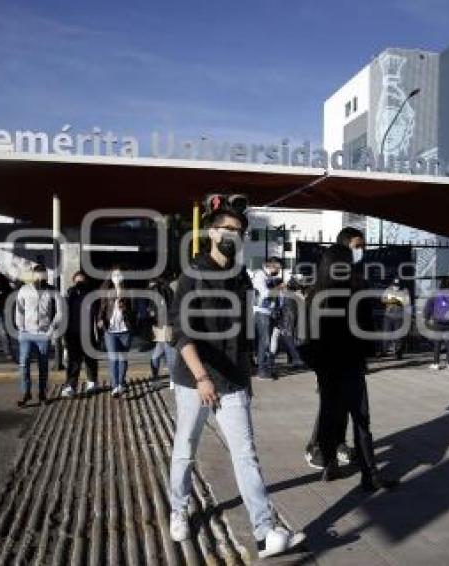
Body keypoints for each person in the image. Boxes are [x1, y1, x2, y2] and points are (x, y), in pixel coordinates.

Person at [167, 194, 304, 558]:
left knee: (246, 455)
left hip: (232, 381)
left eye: (239, 231)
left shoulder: (241, 277)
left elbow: (243, 335)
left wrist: (245, 381)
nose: (233, 235)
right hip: (195, 380)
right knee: (185, 449)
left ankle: (264, 533)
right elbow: (181, 332)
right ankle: (178, 509)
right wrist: (200, 377)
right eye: (227, 229)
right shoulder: (192, 275)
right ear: (211, 233)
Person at [307, 226, 397, 492]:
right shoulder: (354, 288)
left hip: (329, 365)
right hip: (349, 363)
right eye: (357, 249)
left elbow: (308, 334)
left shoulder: (316, 292)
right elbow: (364, 326)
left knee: (330, 415)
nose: (360, 254)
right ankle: (369, 474)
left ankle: (330, 465)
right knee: (359, 419)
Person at [15, 264, 61, 407]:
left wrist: (51, 329)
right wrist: (20, 327)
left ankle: (42, 394)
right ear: (33, 275)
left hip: (43, 333)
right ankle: (26, 393)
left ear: (46, 276)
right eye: (38, 275)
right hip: (27, 333)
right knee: (24, 364)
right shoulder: (24, 289)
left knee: (43, 366)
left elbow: (60, 312)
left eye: (43, 275)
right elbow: (19, 309)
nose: (40, 277)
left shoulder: (53, 291)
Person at [97, 267, 138, 398]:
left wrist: (125, 308)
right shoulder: (107, 292)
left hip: (125, 330)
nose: (117, 277)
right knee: (113, 359)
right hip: (110, 330)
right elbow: (102, 309)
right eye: (115, 275)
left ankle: (121, 383)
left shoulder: (129, 293)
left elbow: (134, 312)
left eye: (119, 274)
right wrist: (100, 320)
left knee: (122, 359)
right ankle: (115, 386)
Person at [61, 270, 98, 398]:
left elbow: (96, 311)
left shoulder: (91, 294)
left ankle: (92, 382)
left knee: (90, 359)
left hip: (88, 332)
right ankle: (71, 385)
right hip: (72, 333)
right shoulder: (68, 294)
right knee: (73, 361)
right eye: (77, 280)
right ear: (73, 281)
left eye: (82, 280)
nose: (80, 282)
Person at [252, 257, 282, 380]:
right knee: (264, 342)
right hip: (261, 312)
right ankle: (262, 371)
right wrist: (279, 287)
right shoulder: (260, 275)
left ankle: (264, 368)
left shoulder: (268, 277)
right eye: (278, 267)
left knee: (265, 342)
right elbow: (264, 293)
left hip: (268, 312)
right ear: (271, 265)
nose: (279, 270)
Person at [426, 276, 449, 371]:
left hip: (438, 321)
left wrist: (427, 317)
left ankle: (436, 363)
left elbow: (428, 306)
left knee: (437, 343)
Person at [269, 278, 305, 368]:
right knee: (278, 338)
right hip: (284, 320)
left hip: (285, 321)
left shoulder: (288, 296)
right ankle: (292, 358)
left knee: (286, 339)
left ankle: (296, 359)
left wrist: (286, 324)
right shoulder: (290, 295)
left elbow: (289, 312)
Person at [148, 276, 178, 383]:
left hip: (161, 326)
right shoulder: (169, 289)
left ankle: (160, 378)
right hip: (168, 325)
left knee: (163, 353)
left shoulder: (156, 291)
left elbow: (153, 311)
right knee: (168, 352)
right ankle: (171, 379)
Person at [381, 278, 410, 359]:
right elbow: (382, 299)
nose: (396, 287)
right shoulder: (388, 289)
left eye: (397, 286)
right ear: (392, 284)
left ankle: (398, 353)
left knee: (398, 335)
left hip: (399, 316)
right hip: (388, 316)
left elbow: (407, 302)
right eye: (394, 285)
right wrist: (390, 301)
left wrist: (398, 302)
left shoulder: (405, 290)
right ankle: (384, 351)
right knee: (386, 334)